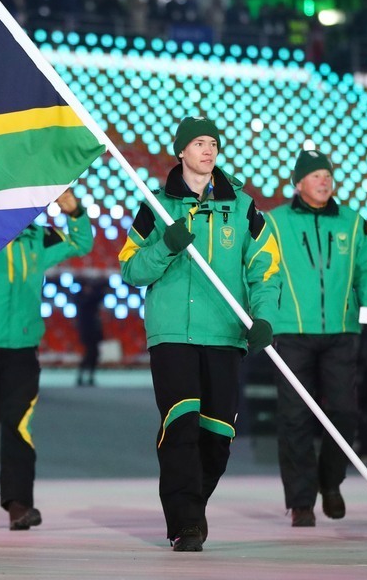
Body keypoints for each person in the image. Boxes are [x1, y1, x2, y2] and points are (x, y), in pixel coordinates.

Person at [119, 117, 280, 551]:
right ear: (181, 152)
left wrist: (262, 318)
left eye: (213, 143)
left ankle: (191, 505)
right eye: (199, 143)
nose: (208, 150)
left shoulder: (244, 208)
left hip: (226, 334)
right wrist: (165, 246)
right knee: (181, 424)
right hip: (171, 333)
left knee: (217, 437)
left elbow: (265, 270)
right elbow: (131, 269)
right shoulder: (155, 206)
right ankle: (184, 523)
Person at [264, 148, 367, 527]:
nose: (324, 180)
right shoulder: (274, 222)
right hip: (290, 331)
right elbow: (262, 271)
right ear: (298, 183)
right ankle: (301, 501)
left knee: (344, 414)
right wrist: (262, 317)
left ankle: (330, 482)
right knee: (294, 419)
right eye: (315, 175)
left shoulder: (353, 223)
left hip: (341, 331)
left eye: (327, 175)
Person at [0, 188, 93, 530]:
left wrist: (74, 211)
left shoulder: (39, 238)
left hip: (22, 348)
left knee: (18, 425)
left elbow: (82, 243)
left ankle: (18, 504)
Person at [73, 275, 107, 387]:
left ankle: (88, 376)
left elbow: (99, 297)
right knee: (90, 353)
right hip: (87, 330)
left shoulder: (89, 299)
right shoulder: (81, 299)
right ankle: (83, 376)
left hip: (94, 330)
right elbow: (93, 299)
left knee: (93, 354)